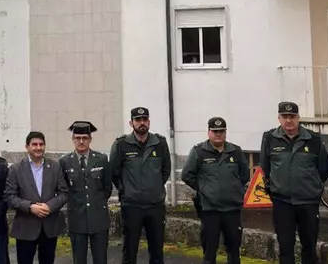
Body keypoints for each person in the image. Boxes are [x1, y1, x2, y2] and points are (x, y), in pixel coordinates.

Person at [260, 101, 328, 264]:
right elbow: (266, 167)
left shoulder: (313, 139)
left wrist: (312, 187)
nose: (288, 120)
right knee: (285, 247)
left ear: (298, 118)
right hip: (282, 202)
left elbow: (323, 169)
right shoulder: (270, 138)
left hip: (308, 202)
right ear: (279, 118)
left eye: (292, 116)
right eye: (284, 116)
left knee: (309, 246)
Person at [181, 117, 249, 264]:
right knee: (209, 251)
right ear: (209, 132)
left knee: (234, 250)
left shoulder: (235, 151)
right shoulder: (199, 151)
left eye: (221, 131)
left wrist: (233, 189)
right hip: (210, 210)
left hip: (232, 209)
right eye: (215, 131)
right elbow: (187, 175)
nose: (218, 134)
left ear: (225, 132)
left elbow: (244, 175)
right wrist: (204, 188)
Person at [109, 107, 171, 264]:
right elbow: (114, 172)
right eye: (138, 120)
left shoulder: (160, 143)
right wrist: (126, 191)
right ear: (131, 123)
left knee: (157, 252)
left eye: (144, 120)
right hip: (132, 206)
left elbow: (166, 170)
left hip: (155, 205)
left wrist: (154, 187)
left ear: (149, 122)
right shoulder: (121, 144)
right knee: (129, 251)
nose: (142, 123)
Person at [5, 131, 69, 264]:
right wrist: (30, 207)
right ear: (27, 147)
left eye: (41, 144)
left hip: (49, 227)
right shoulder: (16, 169)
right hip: (25, 227)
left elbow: (64, 193)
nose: (38, 147)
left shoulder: (55, 167)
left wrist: (49, 206)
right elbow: (10, 197)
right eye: (34, 144)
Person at [59, 121, 112, 264]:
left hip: (98, 217)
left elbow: (107, 187)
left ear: (90, 139)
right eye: (77, 138)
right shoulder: (64, 162)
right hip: (77, 218)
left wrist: (97, 202)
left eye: (85, 138)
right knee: (79, 259)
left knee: (101, 259)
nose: (81, 141)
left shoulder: (101, 159)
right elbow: (64, 189)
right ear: (73, 139)